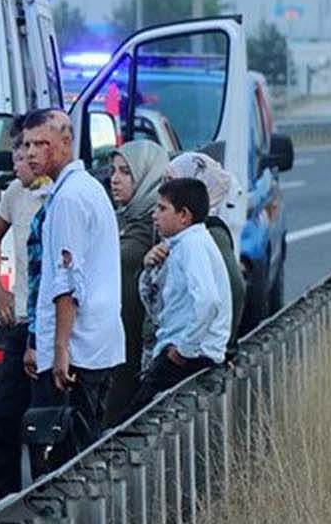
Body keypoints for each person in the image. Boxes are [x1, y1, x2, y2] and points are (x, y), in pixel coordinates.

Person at [23, 110, 124, 467]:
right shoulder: (82, 189)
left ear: (65, 144)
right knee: (83, 450)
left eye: (41, 143)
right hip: (95, 344)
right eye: (26, 144)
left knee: (63, 462)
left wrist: (60, 348)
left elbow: (68, 282)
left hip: (76, 350)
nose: (32, 152)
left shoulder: (68, 199)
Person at [0, 114, 54, 502]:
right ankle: (3, 502)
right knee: (3, 416)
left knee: (43, 420)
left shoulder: (60, 194)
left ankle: (45, 497)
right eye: (16, 150)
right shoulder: (15, 193)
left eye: (27, 150)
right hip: (21, 320)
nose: (19, 159)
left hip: (52, 323)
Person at [129, 178, 232, 415]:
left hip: (188, 357)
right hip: (183, 351)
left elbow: (208, 301)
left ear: (184, 215)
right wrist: (150, 267)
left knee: (132, 425)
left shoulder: (192, 245)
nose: (155, 215)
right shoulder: (181, 244)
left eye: (162, 208)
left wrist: (183, 350)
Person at [102, 140, 170, 425]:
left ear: (146, 175)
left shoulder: (153, 227)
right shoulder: (124, 220)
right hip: (115, 338)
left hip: (133, 342)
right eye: (113, 171)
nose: (115, 179)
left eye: (126, 172)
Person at [164, 151, 246, 341]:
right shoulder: (181, 232)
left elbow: (234, 289)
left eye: (172, 182)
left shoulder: (209, 233)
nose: (165, 190)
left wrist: (215, 345)